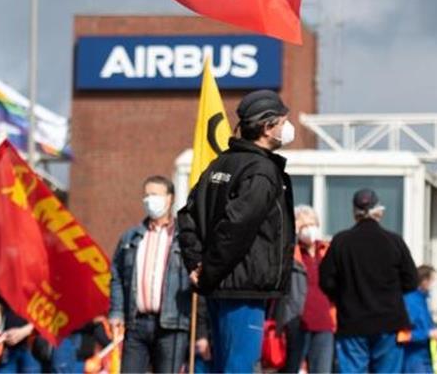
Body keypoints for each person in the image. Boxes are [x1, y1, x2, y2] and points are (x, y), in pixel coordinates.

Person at [178, 89, 296, 374]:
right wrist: (206, 272)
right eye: (283, 121)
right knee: (240, 367)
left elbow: (186, 217)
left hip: (219, 285)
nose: (287, 128)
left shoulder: (219, 164)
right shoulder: (262, 171)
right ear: (268, 127)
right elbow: (235, 228)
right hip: (242, 288)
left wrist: (197, 265)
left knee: (225, 366)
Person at [318, 188, 419, 373]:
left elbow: (326, 280)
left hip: (352, 321)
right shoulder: (393, 241)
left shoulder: (341, 242)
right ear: (378, 211)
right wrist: (391, 294)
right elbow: (412, 280)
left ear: (354, 213)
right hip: (388, 321)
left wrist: (343, 296)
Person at [109, 174, 199, 373]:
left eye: (156, 194)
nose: (150, 200)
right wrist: (117, 312)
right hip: (136, 323)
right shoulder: (130, 238)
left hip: (172, 324)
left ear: (170, 198)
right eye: (147, 195)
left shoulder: (184, 238)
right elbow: (116, 275)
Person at [284, 205, 336, 374]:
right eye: (303, 225)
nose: (308, 229)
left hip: (324, 322)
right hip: (296, 322)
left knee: (322, 370)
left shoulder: (328, 251)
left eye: (311, 223)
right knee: (292, 368)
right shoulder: (290, 253)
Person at [400, 266, 437, 373]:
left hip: (423, 355)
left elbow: (426, 325)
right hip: (413, 357)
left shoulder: (422, 300)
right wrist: (429, 334)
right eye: (432, 280)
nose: (433, 285)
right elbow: (404, 334)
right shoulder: (412, 301)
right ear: (424, 281)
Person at [0, 295, 42, 373]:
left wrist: (23, 331)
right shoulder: (7, 283)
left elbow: (45, 316)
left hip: (32, 347)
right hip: (8, 347)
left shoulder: (41, 285)